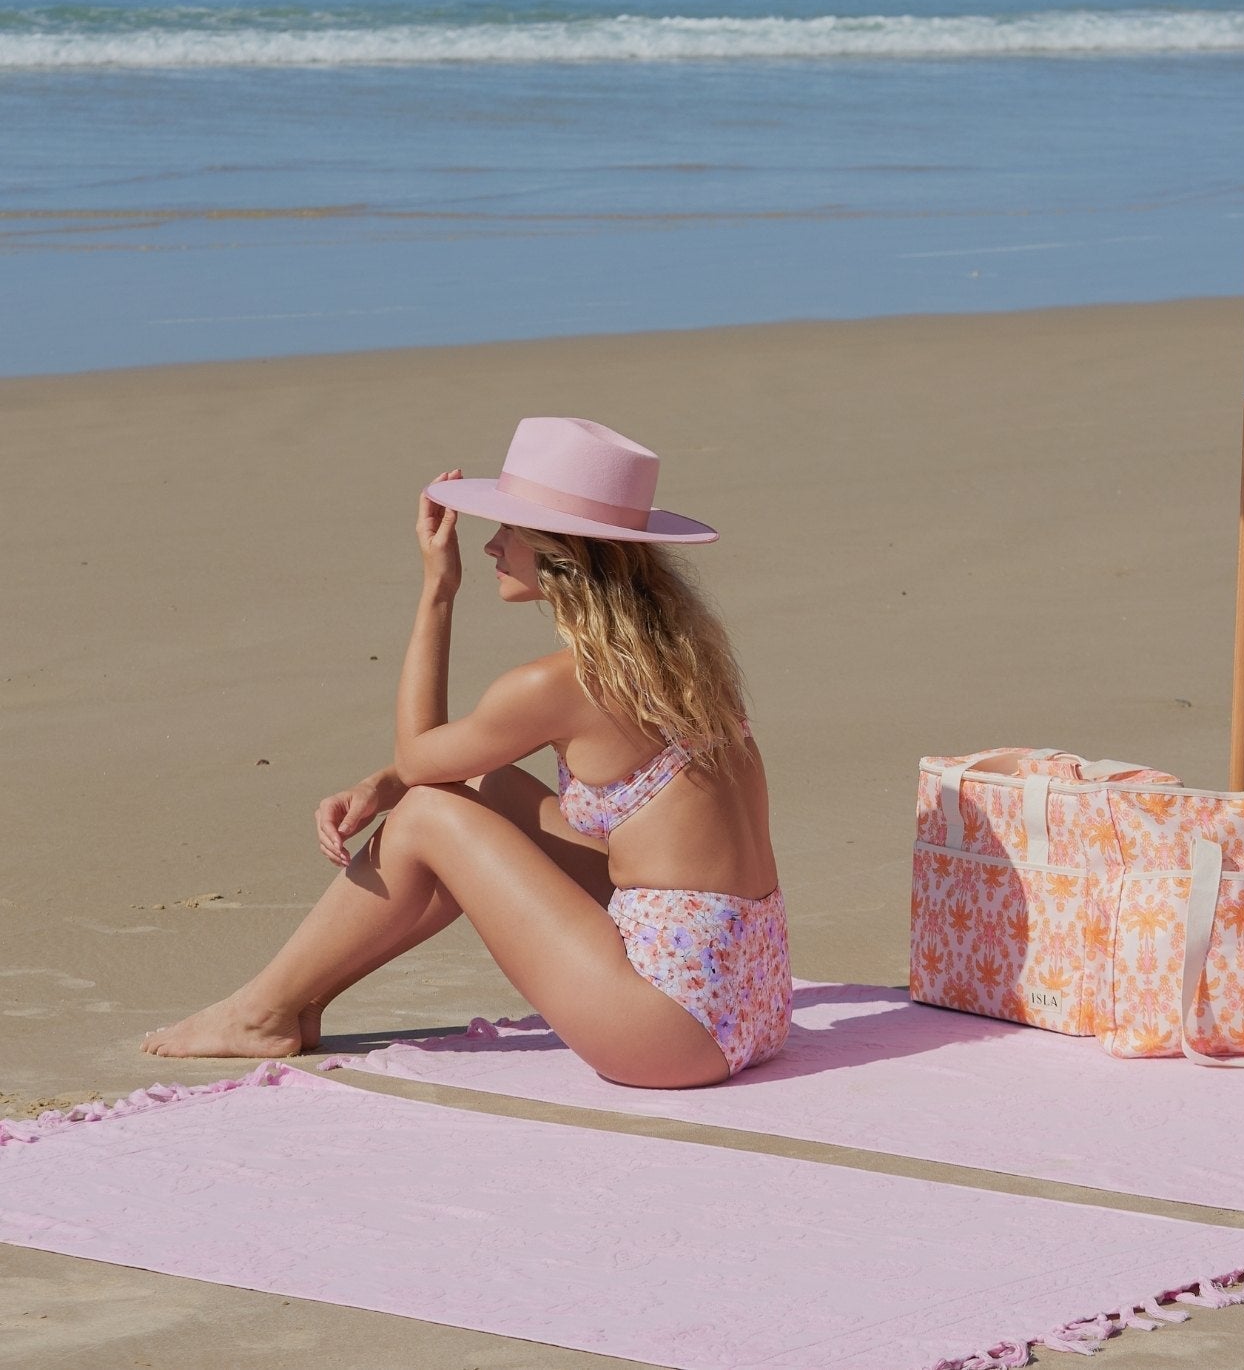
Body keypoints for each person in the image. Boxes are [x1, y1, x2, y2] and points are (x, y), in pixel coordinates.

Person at [141, 417, 789, 1088]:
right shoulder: (685, 664)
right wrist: (385, 780)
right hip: (756, 1001)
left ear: (557, 548)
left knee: (427, 813)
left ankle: (260, 1011)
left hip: (669, 1035)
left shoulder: (556, 685)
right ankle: (297, 1002)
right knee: (483, 784)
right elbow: (435, 764)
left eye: (509, 529)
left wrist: (436, 591)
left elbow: (419, 761)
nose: (491, 545)